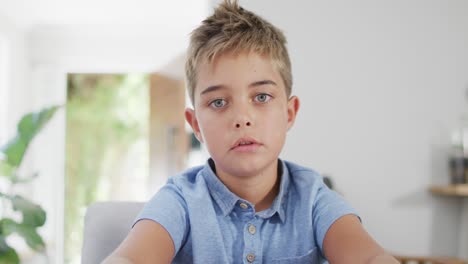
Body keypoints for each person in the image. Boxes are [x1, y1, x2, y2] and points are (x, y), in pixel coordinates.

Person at [103, 1, 399, 263]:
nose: (242, 118)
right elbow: (129, 258)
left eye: (261, 97)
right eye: (218, 102)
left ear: (289, 113)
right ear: (196, 126)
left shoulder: (313, 197)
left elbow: (370, 256)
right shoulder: (179, 199)